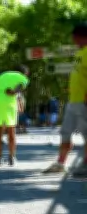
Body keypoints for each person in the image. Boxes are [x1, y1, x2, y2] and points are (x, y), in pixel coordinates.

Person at [43, 23, 87, 177]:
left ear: (80, 36)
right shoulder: (79, 53)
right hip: (73, 100)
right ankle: (61, 163)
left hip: (83, 101)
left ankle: (86, 165)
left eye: (74, 36)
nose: (73, 39)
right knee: (66, 132)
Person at [0, 65, 30, 166]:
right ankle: (12, 157)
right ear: (23, 73)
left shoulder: (2, 76)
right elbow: (22, 84)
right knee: (11, 132)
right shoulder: (21, 77)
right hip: (9, 105)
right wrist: (13, 92)